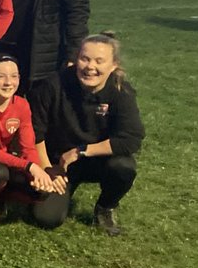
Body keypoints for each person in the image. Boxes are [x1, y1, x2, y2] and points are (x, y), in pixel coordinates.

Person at [29, 33, 144, 236]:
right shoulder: (53, 85)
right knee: (47, 218)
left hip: (97, 160)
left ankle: (105, 207)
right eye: (85, 58)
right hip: (59, 163)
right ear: (77, 58)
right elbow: (35, 132)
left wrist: (81, 151)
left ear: (114, 65)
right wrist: (47, 169)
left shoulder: (121, 92)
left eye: (99, 61)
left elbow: (131, 138)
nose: (90, 67)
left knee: (123, 167)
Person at [0, 54, 62, 233]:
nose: (9, 82)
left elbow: (28, 147)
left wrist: (37, 175)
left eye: (14, 76)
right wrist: (29, 165)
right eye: (1, 77)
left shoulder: (21, 105)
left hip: (5, 159)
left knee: (40, 190)